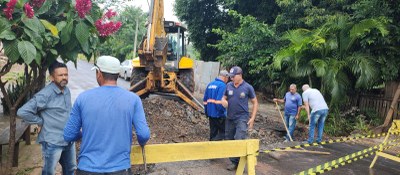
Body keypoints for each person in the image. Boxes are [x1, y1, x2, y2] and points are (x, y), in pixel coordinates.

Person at [63, 56, 150, 174]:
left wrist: (83, 134)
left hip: (87, 168)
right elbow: (144, 134)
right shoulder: (133, 99)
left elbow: (68, 134)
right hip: (120, 169)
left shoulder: (83, 98)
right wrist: (142, 142)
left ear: (99, 73)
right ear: (118, 74)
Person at [17, 61, 76, 175]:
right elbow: (23, 112)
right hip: (53, 142)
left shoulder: (66, 90)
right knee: (49, 172)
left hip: (68, 140)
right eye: (60, 75)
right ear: (52, 77)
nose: (64, 78)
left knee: (70, 169)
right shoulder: (45, 94)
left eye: (66, 74)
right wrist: (39, 121)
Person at [223, 66, 258, 171]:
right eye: (231, 76)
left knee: (239, 139)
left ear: (240, 75)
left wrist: (252, 118)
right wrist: (223, 101)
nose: (231, 78)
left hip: (242, 118)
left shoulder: (248, 87)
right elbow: (224, 98)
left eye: (233, 76)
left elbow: (255, 102)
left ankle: (239, 163)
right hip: (230, 118)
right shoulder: (228, 85)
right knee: (229, 139)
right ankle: (234, 162)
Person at [203, 70, 230, 141]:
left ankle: (212, 148)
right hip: (218, 114)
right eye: (228, 78)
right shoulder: (223, 86)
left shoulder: (210, 84)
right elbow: (219, 102)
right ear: (225, 77)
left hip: (210, 114)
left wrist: (206, 112)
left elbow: (205, 100)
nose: (227, 80)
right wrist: (223, 113)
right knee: (225, 132)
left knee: (213, 132)